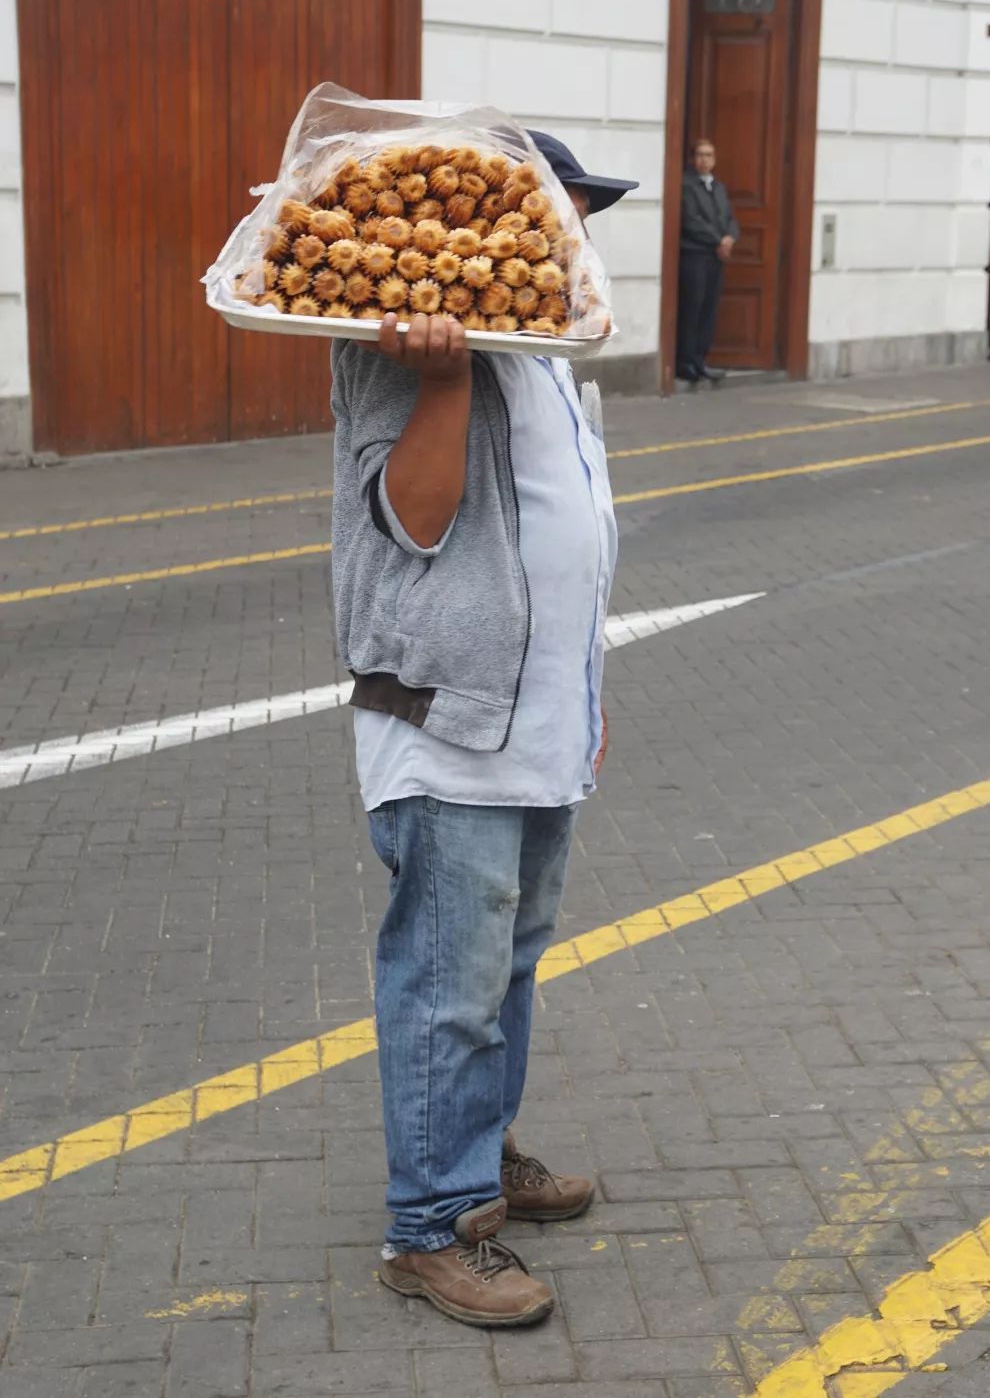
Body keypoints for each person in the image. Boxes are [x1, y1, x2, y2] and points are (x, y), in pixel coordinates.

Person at [330, 131, 638, 1330]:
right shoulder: (403, 350)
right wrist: (446, 382)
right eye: (556, 213)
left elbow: (565, 545)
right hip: (449, 723)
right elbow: (410, 525)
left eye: (577, 221)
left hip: (540, 718)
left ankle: (480, 1149)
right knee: (447, 983)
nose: (568, 239)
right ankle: (429, 1229)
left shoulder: (546, 348)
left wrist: (585, 704)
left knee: (506, 968)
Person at [677, 136, 739, 383]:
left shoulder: (719, 187)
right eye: (700, 154)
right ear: (693, 159)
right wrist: (718, 240)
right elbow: (691, 220)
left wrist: (730, 238)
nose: (705, 160)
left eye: (709, 155)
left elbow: (730, 219)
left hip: (715, 258)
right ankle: (686, 362)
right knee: (692, 309)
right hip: (695, 255)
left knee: (708, 310)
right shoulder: (685, 184)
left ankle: (701, 360)